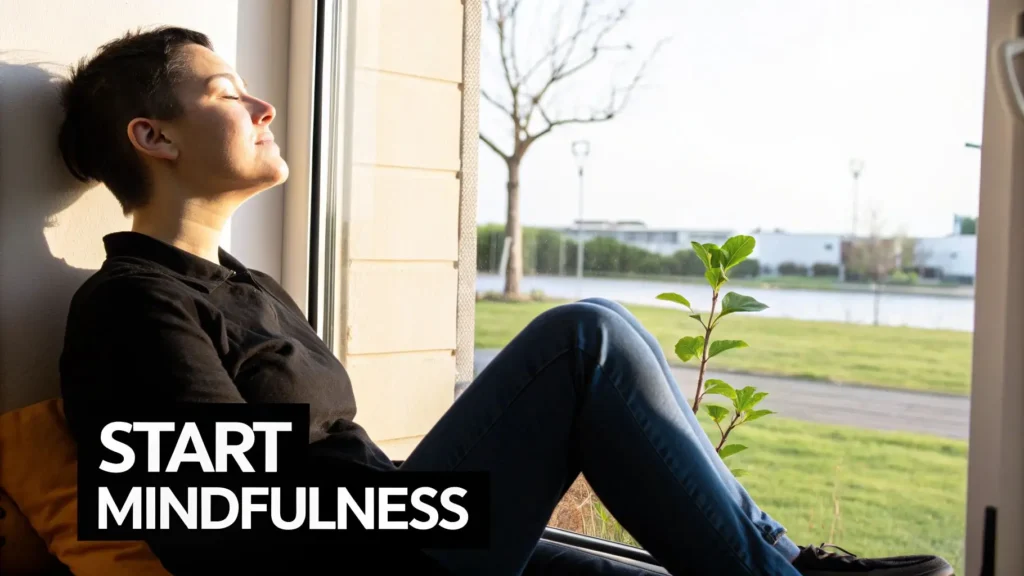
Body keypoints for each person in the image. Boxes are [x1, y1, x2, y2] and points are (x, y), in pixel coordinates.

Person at [54, 26, 956, 576]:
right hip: (376, 560)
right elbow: (222, 518)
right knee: (583, 339)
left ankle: (784, 562)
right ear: (153, 137)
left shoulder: (244, 286)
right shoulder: (131, 308)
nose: (263, 106)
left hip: (401, 532)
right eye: (225, 92)